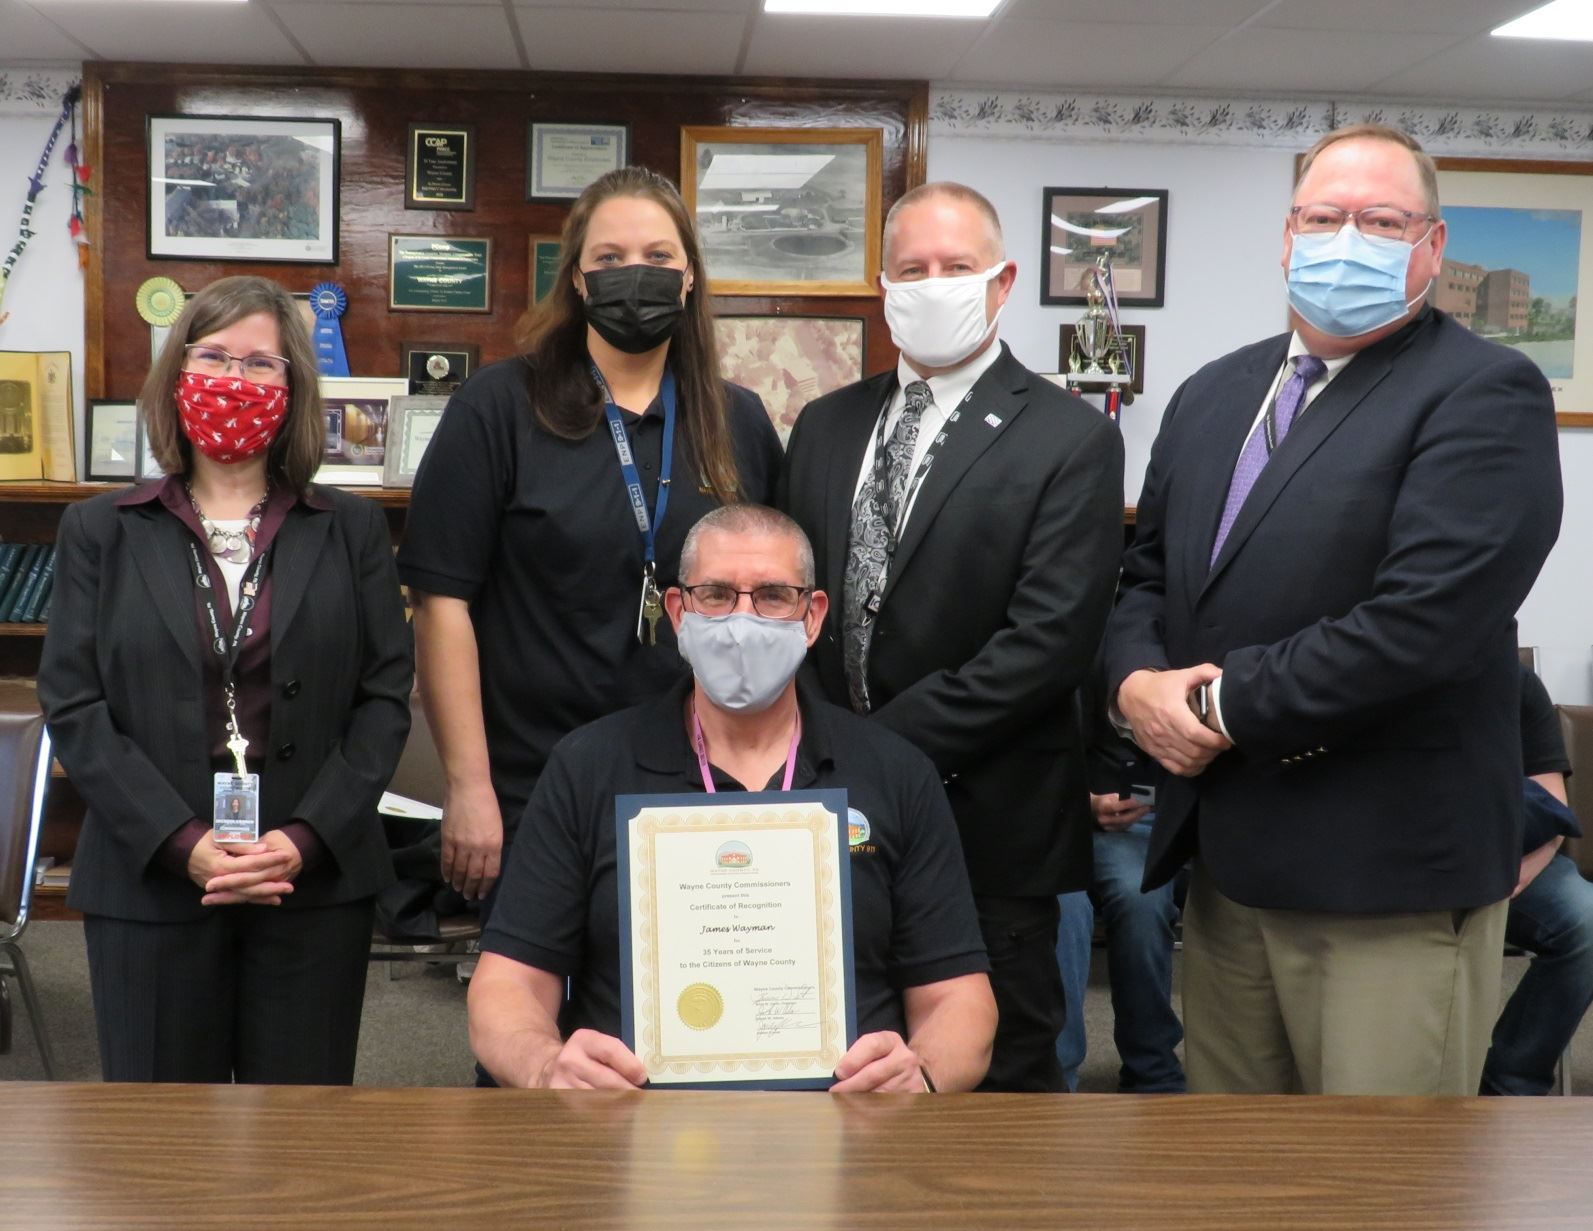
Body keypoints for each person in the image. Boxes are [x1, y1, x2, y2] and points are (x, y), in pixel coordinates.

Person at [1106, 123, 1563, 1095]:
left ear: (1432, 248)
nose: (1346, 236)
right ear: (1286, 235)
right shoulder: (1210, 394)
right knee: (1236, 1177)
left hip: (1386, 879)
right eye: (1324, 216)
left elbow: (1422, 624)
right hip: (1228, 868)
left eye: (1382, 219)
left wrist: (1212, 708)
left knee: (1381, 1187)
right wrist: (1135, 683)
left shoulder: (1486, 393)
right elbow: (1142, 576)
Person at [781, 182, 1125, 1092]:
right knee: (839, 1076)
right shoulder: (824, 424)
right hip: (824, 821)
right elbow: (793, 603)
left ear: (1003, 281)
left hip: (989, 828)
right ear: (883, 285)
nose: (931, 285)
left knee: (990, 1096)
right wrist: (818, 753)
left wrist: (867, 751)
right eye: (911, 269)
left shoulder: (1069, 439)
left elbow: (1045, 643)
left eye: (957, 268)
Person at [468, 506, 996, 1091]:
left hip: (850, 1133)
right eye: (716, 594)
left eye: (772, 595)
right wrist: (546, 1066)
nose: (743, 620)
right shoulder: (588, 767)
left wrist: (921, 1073)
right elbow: (505, 989)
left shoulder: (895, 773)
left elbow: (959, 1000)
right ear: (677, 611)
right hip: (626, 1132)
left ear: (812, 616)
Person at [39, 275, 413, 1083]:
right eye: (212, 356)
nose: (233, 380)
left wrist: (302, 841)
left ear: (293, 388)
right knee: (163, 1157)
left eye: (260, 364)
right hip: (151, 881)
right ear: (176, 374)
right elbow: (73, 703)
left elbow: (383, 701)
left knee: (299, 1141)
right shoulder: (100, 529)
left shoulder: (348, 529)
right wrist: (185, 845)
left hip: (310, 882)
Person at [398, 166, 782, 916]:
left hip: (703, 780)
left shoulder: (738, 420)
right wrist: (468, 787)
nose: (632, 275)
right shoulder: (497, 407)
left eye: (657, 257)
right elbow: (443, 604)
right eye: (608, 259)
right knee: (544, 1023)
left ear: (691, 276)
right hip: (533, 781)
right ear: (575, 279)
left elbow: (776, 606)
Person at [1058, 666, 1185, 1094]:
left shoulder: (1143, 621)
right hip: (1047, 816)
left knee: (1141, 898)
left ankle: (1152, 1067)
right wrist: (1082, 802)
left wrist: (1138, 799)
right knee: (1060, 908)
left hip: (1131, 812)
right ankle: (1057, 1074)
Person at [1483, 665, 1592, 1096]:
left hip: (1514, 861)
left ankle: (1511, 1080)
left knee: (1586, 921)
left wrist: (1517, 876)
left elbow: (1551, 805)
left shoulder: (1515, 683)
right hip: (1410, 865)